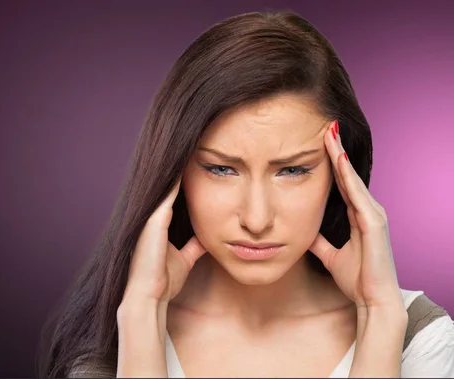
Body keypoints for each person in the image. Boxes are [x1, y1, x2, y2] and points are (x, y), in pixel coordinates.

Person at [37, 11, 454, 378]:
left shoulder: (417, 337)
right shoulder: (117, 341)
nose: (256, 219)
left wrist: (379, 317)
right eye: (221, 168)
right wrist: (143, 314)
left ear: (340, 176)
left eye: (292, 170)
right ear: (173, 170)